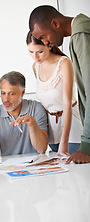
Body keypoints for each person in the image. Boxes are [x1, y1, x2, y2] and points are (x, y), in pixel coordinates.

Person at [29, 5, 90, 163]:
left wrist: (86, 145)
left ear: (55, 24)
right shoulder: (77, 34)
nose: (45, 42)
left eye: (43, 36)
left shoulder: (81, 34)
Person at [26, 31, 82, 156]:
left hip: (70, 124)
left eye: (40, 51)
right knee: (58, 171)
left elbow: (67, 103)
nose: (35, 57)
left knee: (74, 169)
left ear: (50, 45)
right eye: (31, 52)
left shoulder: (64, 63)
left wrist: (64, 141)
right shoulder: (36, 66)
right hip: (51, 127)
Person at [0, 71, 48, 158]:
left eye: (11, 94)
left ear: (22, 93)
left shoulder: (36, 108)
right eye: (3, 93)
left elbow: (42, 149)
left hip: (35, 165)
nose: (6, 99)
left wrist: (32, 123)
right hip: (9, 167)